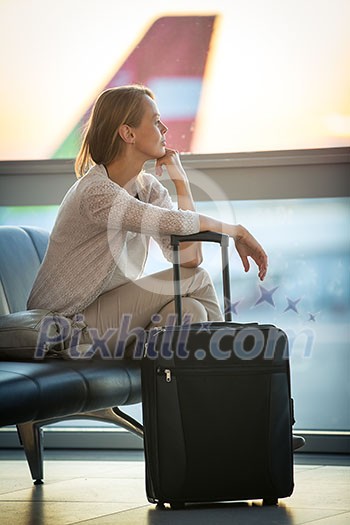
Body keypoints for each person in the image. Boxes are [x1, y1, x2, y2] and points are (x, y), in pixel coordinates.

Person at [27, 84, 268, 358]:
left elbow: (188, 258)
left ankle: (183, 395)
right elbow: (180, 237)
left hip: (111, 324)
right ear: (128, 133)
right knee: (196, 280)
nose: (164, 129)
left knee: (190, 311)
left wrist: (181, 182)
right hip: (64, 329)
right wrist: (235, 231)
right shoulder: (96, 191)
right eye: (155, 122)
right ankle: (226, 374)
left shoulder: (148, 188)